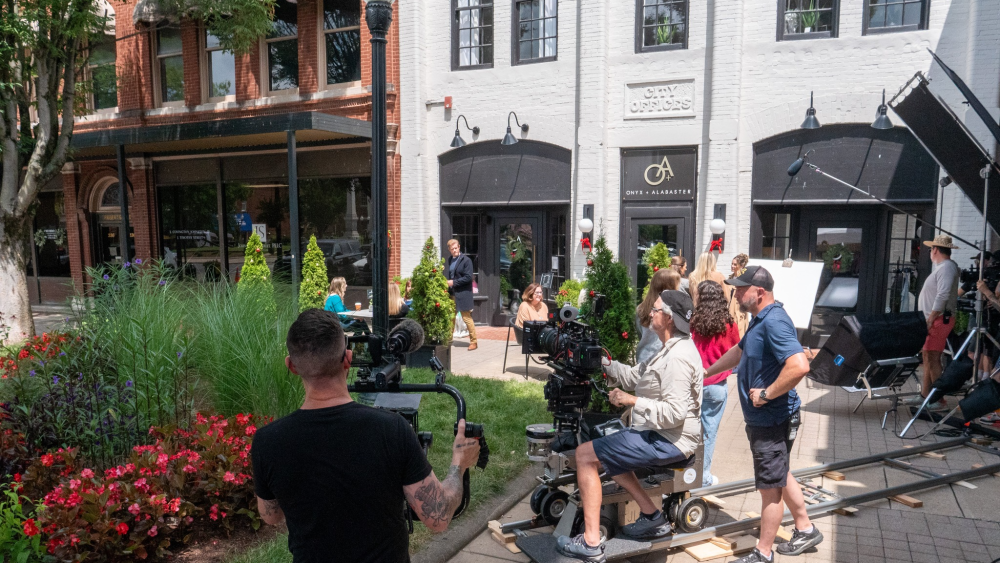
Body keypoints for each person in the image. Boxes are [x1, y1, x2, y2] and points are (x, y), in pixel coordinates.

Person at [250, 309, 481, 563]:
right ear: (347, 358)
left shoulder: (267, 441)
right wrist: (459, 463)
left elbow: (270, 515)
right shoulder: (391, 430)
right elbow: (438, 516)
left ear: (291, 366)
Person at [555, 290, 703, 563]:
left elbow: (675, 414)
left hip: (670, 439)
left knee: (585, 455)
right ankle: (653, 518)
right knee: (613, 456)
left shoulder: (678, 358)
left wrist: (631, 400)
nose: (650, 313)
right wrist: (599, 361)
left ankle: (590, 544)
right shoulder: (668, 347)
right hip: (659, 433)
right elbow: (635, 376)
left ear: (669, 318)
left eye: (656, 310)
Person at [705, 266, 822, 563]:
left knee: (770, 489)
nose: (736, 294)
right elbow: (740, 352)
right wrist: (707, 373)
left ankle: (763, 553)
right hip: (763, 420)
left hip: (772, 418)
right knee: (779, 474)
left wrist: (768, 393)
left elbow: (799, 365)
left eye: (741, 289)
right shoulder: (760, 320)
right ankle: (806, 529)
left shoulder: (775, 322)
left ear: (760, 292)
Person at [690, 280, 740, 487]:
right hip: (717, 385)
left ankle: (685, 475)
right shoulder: (729, 324)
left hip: (692, 385)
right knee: (709, 433)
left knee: (688, 431)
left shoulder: (692, 322)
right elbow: (737, 353)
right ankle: (703, 477)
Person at [906, 236, 960, 411]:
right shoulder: (944, 268)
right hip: (935, 319)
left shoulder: (947, 268)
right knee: (927, 357)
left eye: (931, 249)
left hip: (938, 319)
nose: (930, 252)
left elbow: (942, 295)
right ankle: (926, 395)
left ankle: (939, 399)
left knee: (933, 358)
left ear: (935, 250)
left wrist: (930, 319)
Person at [635, 268, 681, 365]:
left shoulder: (641, 308)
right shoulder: (671, 310)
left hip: (644, 356)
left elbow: (640, 332)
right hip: (663, 359)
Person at [446, 239, 477, 351]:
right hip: (453, 293)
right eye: (452, 249)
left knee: (466, 318)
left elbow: (468, 277)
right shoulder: (450, 260)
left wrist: (453, 282)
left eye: (456, 248)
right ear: (449, 250)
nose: (454, 250)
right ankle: (448, 340)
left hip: (464, 293)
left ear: (459, 247)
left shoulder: (466, 260)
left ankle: (474, 341)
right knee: (451, 317)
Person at [729, 254, 751, 336]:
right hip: (730, 310)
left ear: (741, 266)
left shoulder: (742, 279)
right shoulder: (731, 278)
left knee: (739, 333)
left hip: (739, 311)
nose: (732, 266)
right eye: (732, 264)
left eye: (735, 264)